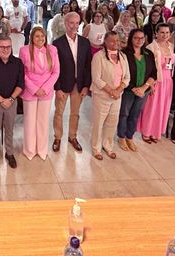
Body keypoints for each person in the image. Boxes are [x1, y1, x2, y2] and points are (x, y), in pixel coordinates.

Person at [52, 11, 92, 152]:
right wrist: (57, 88)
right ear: (65, 23)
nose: (74, 26)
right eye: (71, 23)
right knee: (59, 113)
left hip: (79, 85)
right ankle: (57, 137)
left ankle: (72, 136)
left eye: (76, 23)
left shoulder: (85, 42)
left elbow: (88, 66)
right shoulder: (57, 43)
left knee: (75, 113)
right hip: (63, 85)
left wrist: (86, 85)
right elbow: (54, 68)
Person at [0, 35, 25, 168]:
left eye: (8, 47)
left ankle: (9, 153)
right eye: (2, 47)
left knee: (10, 129)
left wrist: (11, 99)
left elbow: (21, 84)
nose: (5, 49)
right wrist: (1, 100)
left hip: (12, 102)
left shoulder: (18, 63)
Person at [19, 28, 58, 161]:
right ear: (31, 38)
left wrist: (45, 88)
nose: (40, 38)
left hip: (46, 91)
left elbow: (56, 72)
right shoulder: (24, 50)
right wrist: (35, 89)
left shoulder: (52, 50)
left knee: (43, 121)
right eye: (37, 36)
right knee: (30, 121)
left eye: (42, 36)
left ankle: (42, 149)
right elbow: (22, 73)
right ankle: (29, 150)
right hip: (30, 91)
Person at [90, 32, 130, 160]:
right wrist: (111, 91)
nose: (115, 43)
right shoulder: (98, 57)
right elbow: (96, 78)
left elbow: (127, 77)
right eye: (112, 40)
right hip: (102, 95)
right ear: (105, 42)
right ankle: (96, 148)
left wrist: (118, 90)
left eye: (117, 40)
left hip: (117, 96)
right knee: (99, 122)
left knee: (112, 122)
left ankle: (107, 145)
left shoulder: (123, 56)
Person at [117, 29, 157, 152]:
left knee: (135, 114)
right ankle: (121, 137)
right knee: (124, 114)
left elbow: (154, 73)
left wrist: (144, 87)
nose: (139, 40)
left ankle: (129, 137)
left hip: (143, 91)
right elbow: (120, 73)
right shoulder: (124, 53)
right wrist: (133, 88)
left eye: (142, 38)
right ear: (131, 38)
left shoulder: (148, 53)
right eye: (136, 38)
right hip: (128, 90)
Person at [138, 23, 175, 143]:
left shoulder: (171, 46)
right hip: (156, 81)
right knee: (151, 108)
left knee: (162, 108)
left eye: (167, 32)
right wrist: (150, 84)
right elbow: (148, 68)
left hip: (168, 81)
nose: (165, 35)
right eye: (162, 32)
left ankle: (156, 132)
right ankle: (146, 131)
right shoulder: (151, 47)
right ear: (156, 33)